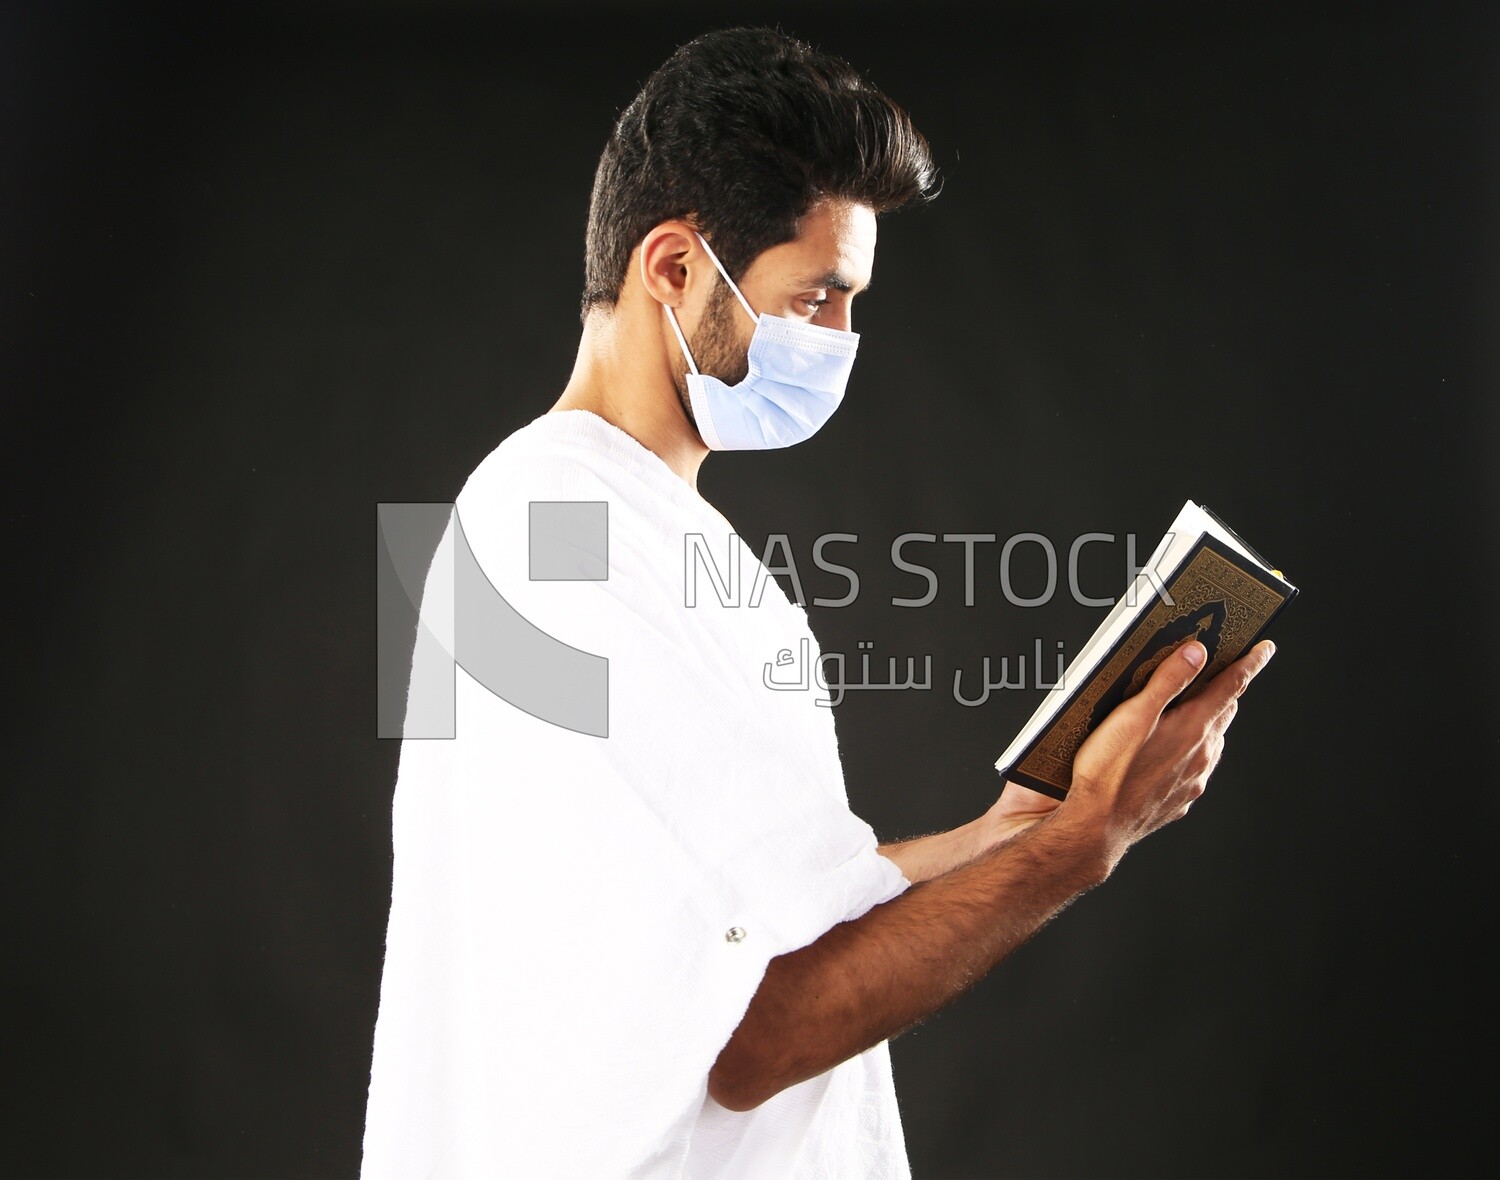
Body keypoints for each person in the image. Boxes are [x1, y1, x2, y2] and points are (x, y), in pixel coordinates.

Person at [359, 26, 1276, 1179]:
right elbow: (748, 1036)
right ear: (676, 267)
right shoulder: (548, 532)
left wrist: (1007, 829)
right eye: (820, 296)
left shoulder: (631, 530)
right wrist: (1082, 845)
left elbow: (748, 912)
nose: (843, 341)